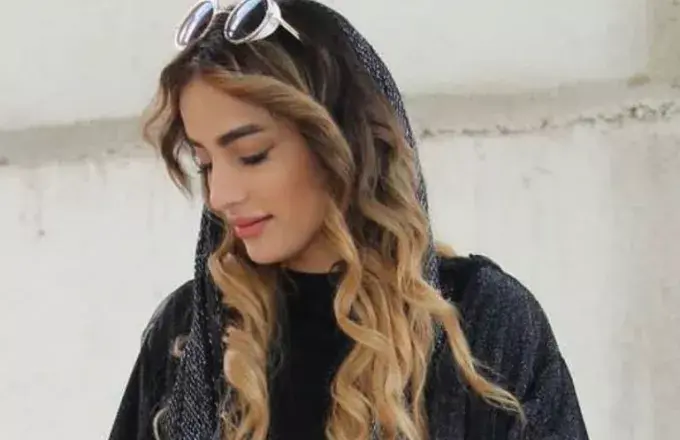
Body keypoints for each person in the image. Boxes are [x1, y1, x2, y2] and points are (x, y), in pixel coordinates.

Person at [108, 1, 589, 439]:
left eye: (251, 155)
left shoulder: (484, 325)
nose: (220, 196)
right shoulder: (190, 337)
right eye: (205, 163)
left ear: (341, 144)